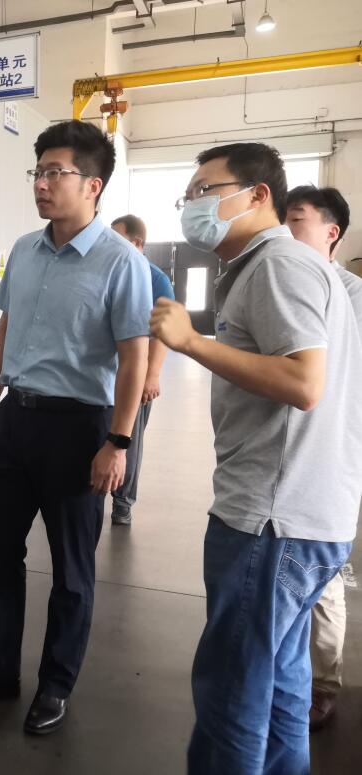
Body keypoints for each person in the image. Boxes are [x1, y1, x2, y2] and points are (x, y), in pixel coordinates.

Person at [0, 120, 151, 735]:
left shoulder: (121, 262)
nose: (42, 184)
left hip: (79, 430)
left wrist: (118, 441)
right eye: (39, 172)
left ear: (93, 185)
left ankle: (56, 684)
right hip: (15, 419)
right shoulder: (26, 250)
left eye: (57, 173)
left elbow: (134, 357)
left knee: (72, 571)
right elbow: (5, 328)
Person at [150, 143, 362, 774]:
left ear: (258, 195)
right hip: (306, 517)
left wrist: (191, 343)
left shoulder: (277, 265)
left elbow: (303, 383)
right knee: (280, 687)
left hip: (272, 520)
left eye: (205, 191)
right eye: (188, 194)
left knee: (232, 692)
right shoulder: (287, 266)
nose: (192, 205)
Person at [284, 184, 358, 730]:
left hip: (333, 456)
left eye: (298, 220)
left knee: (324, 580)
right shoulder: (283, 284)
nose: (286, 230)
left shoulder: (352, 296)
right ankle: (283, 677)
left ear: (331, 232)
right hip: (283, 460)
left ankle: (324, 684)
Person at [108, 214, 174, 525]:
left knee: (127, 438)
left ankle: (123, 501)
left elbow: (162, 332)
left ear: (137, 244)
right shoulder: (106, 269)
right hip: (103, 373)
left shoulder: (156, 279)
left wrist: (152, 375)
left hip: (134, 373)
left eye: (118, 238)